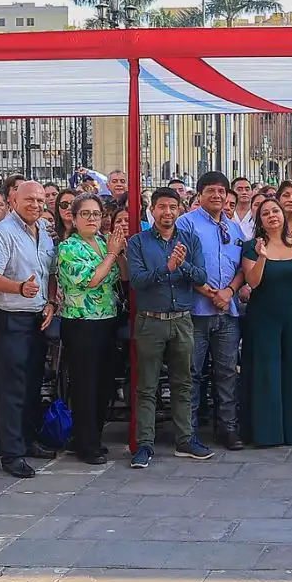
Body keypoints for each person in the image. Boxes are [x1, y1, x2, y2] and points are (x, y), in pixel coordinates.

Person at [124, 189, 207, 468]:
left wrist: (181, 267)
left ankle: (185, 439)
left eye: (173, 207)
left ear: (180, 209)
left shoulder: (190, 240)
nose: (167, 212)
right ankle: (145, 445)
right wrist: (168, 268)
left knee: (183, 383)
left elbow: (201, 276)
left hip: (182, 320)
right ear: (153, 210)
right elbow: (137, 280)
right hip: (150, 321)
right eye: (162, 207)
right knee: (147, 386)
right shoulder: (138, 242)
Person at [0, 180, 56, 479]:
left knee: (31, 384)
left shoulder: (44, 233)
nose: (36, 205)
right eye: (30, 200)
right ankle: (11, 452)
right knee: (12, 387)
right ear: (14, 200)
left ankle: (27, 440)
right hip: (10, 318)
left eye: (40, 200)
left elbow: (49, 272)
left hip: (38, 317)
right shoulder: (3, 232)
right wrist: (19, 288)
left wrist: (50, 300)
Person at [178, 172, 246, 453]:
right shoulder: (186, 224)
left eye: (221, 191)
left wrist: (228, 292)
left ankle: (227, 428)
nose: (217, 196)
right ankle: (189, 432)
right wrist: (210, 293)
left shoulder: (234, 228)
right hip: (196, 311)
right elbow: (181, 263)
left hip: (227, 313)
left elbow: (244, 266)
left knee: (227, 372)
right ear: (200, 194)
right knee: (191, 373)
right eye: (210, 191)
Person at [56, 193, 126, 465]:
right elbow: (92, 279)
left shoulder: (102, 242)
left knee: (104, 384)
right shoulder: (68, 248)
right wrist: (111, 253)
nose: (91, 219)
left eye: (96, 214)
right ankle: (85, 443)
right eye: (85, 213)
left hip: (107, 319)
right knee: (85, 385)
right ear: (73, 219)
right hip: (81, 323)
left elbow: (123, 275)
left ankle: (93, 436)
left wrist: (119, 253)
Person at [240, 198, 292, 448]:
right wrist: (262, 257)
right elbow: (253, 282)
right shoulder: (251, 247)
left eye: (275, 211)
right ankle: (266, 433)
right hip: (263, 315)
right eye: (265, 213)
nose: (272, 216)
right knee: (266, 371)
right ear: (260, 221)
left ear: (283, 215)